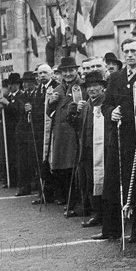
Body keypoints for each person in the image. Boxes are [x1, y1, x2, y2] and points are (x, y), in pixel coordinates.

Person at [99, 39, 136, 241]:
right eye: (126, 51)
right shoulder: (115, 78)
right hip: (119, 136)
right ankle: (111, 229)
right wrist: (111, 112)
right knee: (113, 180)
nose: (130, 55)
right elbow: (106, 105)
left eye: (133, 51)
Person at [46, 57, 87, 216]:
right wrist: (51, 103)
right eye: (65, 71)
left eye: (71, 70)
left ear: (76, 71)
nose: (68, 74)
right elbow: (49, 114)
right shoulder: (58, 89)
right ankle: (69, 200)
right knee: (63, 169)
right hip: (61, 134)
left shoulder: (82, 87)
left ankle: (78, 203)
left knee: (75, 169)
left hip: (74, 132)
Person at [69, 71, 109, 227]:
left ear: (102, 87)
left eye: (95, 86)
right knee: (89, 181)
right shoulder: (86, 105)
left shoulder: (104, 102)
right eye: (89, 86)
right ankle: (96, 212)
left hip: (100, 147)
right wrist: (73, 113)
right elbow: (78, 126)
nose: (92, 89)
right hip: (86, 148)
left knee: (101, 180)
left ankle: (103, 214)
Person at [29, 64, 58, 205]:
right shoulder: (37, 90)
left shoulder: (56, 87)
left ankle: (51, 193)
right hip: (40, 130)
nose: (42, 76)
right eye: (39, 73)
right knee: (40, 163)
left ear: (51, 74)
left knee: (50, 161)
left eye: (45, 73)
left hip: (50, 129)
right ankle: (43, 192)